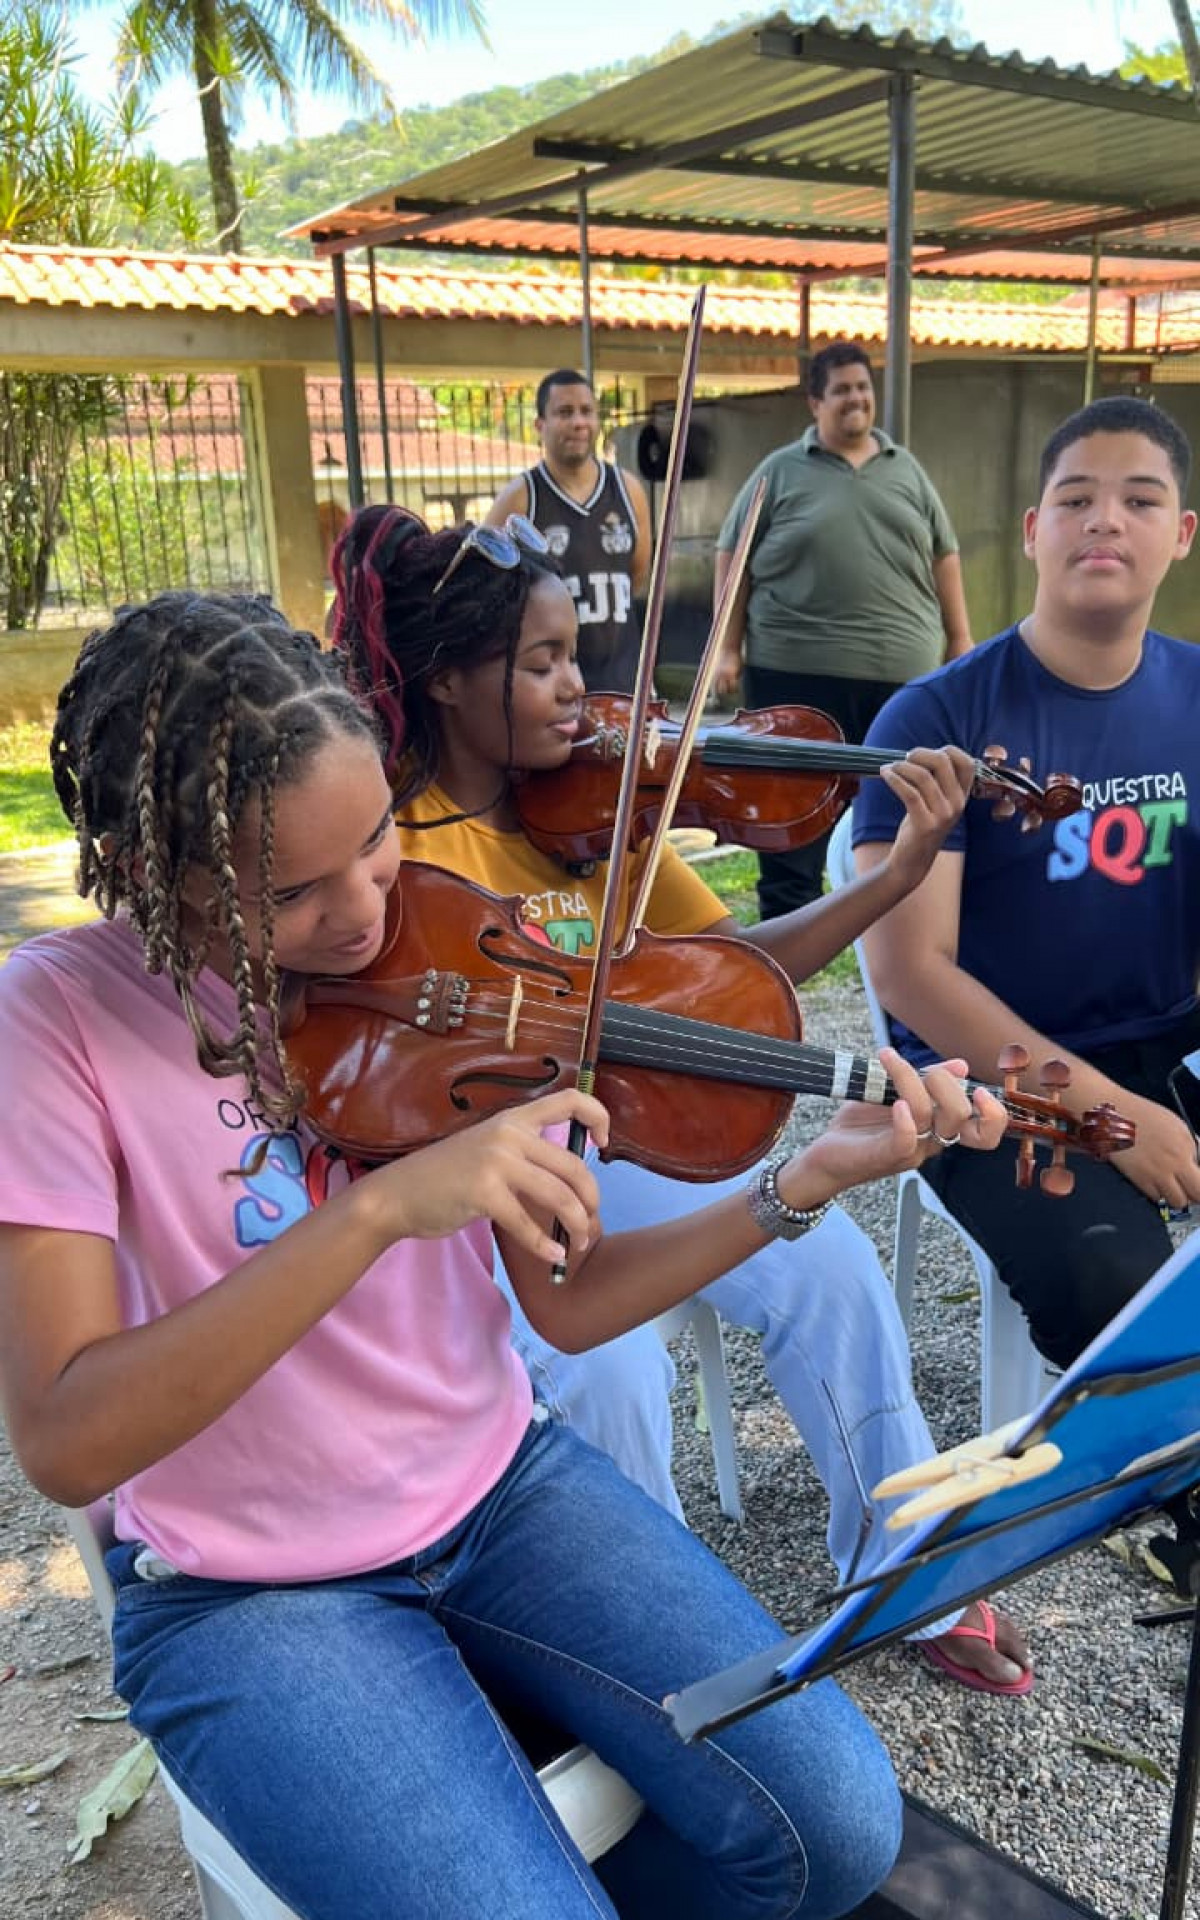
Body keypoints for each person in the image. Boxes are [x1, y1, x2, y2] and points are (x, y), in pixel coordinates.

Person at [0, 590, 1010, 1920]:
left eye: (372, 843)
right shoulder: (58, 1022)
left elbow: (575, 1306)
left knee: (838, 1824)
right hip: (245, 1589)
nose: (368, 912)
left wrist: (797, 1185)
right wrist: (371, 1212)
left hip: (499, 1491)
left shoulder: (433, 933)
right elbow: (68, 1441)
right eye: (293, 896)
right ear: (160, 876)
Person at [331, 504, 1033, 1697]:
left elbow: (729, 981)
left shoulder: (596, 813)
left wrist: (894, 877)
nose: (581, 693)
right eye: (543, 663)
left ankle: (903, 1556)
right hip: (489, 1170)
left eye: (578, 658)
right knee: (608, 1373)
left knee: (835, 1269)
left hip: (631, 1135)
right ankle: (653, 1624)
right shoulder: (388, 845)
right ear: (448, 679)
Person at [853, 394, 1200, 1375]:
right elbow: (912, 976)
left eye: (1140, 500)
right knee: (1115, 1292)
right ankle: (1167, 1499)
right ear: (1035, 529)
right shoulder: (939, 713)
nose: (1105, 520)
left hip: (1169, 1042)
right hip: (988, 1087)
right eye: (1078, 498)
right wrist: (1103, 1119)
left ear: (1179, 535)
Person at [712, 340, 973, 920]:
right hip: (793, 673)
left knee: (906, 813)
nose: (857, 398)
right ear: (815, 402)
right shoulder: (779, 472)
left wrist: (960, 640)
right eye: (843, 389)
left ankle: (905, 936)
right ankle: (783, 950)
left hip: (902, 677)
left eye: (863, 387)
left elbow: (945, 555)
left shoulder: (906, 468)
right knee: (789, 820)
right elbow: (732, 555)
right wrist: (726, 647)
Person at [487, 368, 653, 692]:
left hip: (626, 687)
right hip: (553, 690)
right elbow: (487, 587)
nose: (578, 422)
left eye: (587, 411)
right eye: (565, 412)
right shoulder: (521, 497)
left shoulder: (628, 489)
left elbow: (637, 574)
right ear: (540, 425)